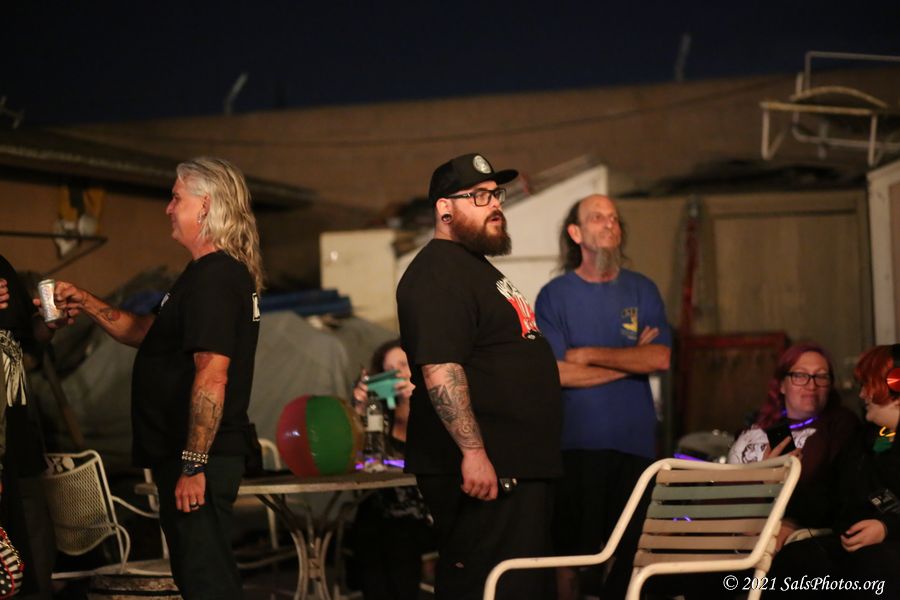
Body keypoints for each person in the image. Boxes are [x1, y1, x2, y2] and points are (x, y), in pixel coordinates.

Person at [43, 157, 264, 600]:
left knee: (207, 582)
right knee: (198, 575)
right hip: (185, 455)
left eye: (176, 198)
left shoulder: (216, 277)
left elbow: (213, 375)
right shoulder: (199, 275)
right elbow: (146, 333)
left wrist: (193, 465)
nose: (168, 208)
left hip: (200, 458)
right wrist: (85, 302)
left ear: (205, 205)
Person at [396, 153, 562, 600]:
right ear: (445, 209)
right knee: (488, 585)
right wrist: (473, 453)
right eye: (480, 196)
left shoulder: (473, 268)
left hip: (517, 465)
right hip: (487, 470)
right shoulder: (436, 273)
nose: (496, 205)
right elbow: (440, 368)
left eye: (496, 195)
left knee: (521, 586)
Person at [534, 194, 671, 600]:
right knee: (571, 559)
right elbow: (556, 373)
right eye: (597, 218)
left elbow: (659, 357)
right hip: (576, 447)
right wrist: (630, 362)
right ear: (575, 233)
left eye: (614, 218)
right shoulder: (554, 295)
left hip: (636, 449)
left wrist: (588, 354)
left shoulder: (642, 289)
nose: (609, 223)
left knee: (629, 558)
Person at [766, 344, 900, 598]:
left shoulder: (845, 426)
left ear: (895, 389)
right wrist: (781, 487)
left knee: (876, 566)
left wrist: (886, 528)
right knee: (795, 560)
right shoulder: (875, 438)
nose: (862, 394)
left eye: (868, 385)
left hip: (884, 551)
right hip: (850, 544)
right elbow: (833, 496)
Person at [728, 342, 858, 547]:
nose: (811, 385)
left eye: (821, 376)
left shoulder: (838, 424)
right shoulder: (769, 427)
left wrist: (773, 487)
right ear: (781, 385)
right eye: (799, 375)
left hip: (790, 527)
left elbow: (833, 497)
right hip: (730, 520)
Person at [349, 339, 435, 600]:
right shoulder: (378, 416)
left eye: (403, 365)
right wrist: (359, 410)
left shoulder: (435, 408)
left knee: (397, 535)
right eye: (389, 369)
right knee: (368, 529)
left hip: (425, 511)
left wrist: (419, 399)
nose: (398, 373)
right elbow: (355, 458)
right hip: (381, 511)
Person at [0, 262, 56, 599]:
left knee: (33, 535)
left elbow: (28, 343)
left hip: (17, 428)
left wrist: (48, 322)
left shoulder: (2, 266)